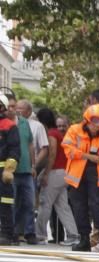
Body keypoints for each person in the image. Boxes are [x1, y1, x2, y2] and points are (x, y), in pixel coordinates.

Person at [62, 104, 99, 252]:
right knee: (79, 207)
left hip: (97, 174)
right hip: (77, 175)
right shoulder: (74, 130)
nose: (97, 124)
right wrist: (89, 157)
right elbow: (68, 150)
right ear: (87, 120)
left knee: (97, 206)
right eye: (94, 120)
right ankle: (84, 240)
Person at [34, 107, 77, 246]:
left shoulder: (52, 134)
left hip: (55, 172)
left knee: (45, 203)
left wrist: (46, 173)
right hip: (64, 173)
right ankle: (73, 235)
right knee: (62, 206)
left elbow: (52, 154)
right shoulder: (58, 133)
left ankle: (39, 235)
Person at [8, 94, 37, 244]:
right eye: (10, 107)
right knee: (12, 204)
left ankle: (30, 232)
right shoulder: (5, 124)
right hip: (10, 171)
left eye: (14, 107)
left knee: (30, 203)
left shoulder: (25, 123)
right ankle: (12, 232)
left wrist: (33, 165)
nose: (13, 110)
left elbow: (30, 144)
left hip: (26, 170)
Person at [0, 94, 21, 246]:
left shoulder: (9, 126)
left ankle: (7, 234)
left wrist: (8, 170)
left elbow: (14, 150)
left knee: (5, 203)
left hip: (3, 173)